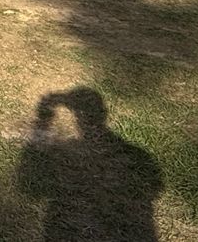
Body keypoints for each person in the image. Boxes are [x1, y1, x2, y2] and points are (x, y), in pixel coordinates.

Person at [18, 88, 162, 241]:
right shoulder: (138, 155)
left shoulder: (64, 154)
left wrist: (44, 119)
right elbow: (155, 187)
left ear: (76, 117)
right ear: (104, 113)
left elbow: (30, 187)